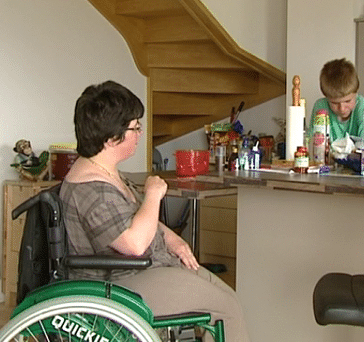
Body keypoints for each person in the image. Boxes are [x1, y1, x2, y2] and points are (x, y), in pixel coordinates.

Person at [60, 80, 250, 342]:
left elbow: (137, 218)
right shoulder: (91, 189)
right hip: (121, 282)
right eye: (135, 128)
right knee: (224, 310)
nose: (140, 133)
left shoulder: (106, 173)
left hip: (146, 268)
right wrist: (153, 194)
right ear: (112, 136)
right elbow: (135, 243)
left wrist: (172, 238)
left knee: (229, 299)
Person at [308, 58, 364, 143]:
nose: (342, 108)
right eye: (334, 103)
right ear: (327, 97)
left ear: (356, 93)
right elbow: (314, 142)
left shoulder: (363, 106)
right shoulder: (321, 106)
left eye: (347, 101)